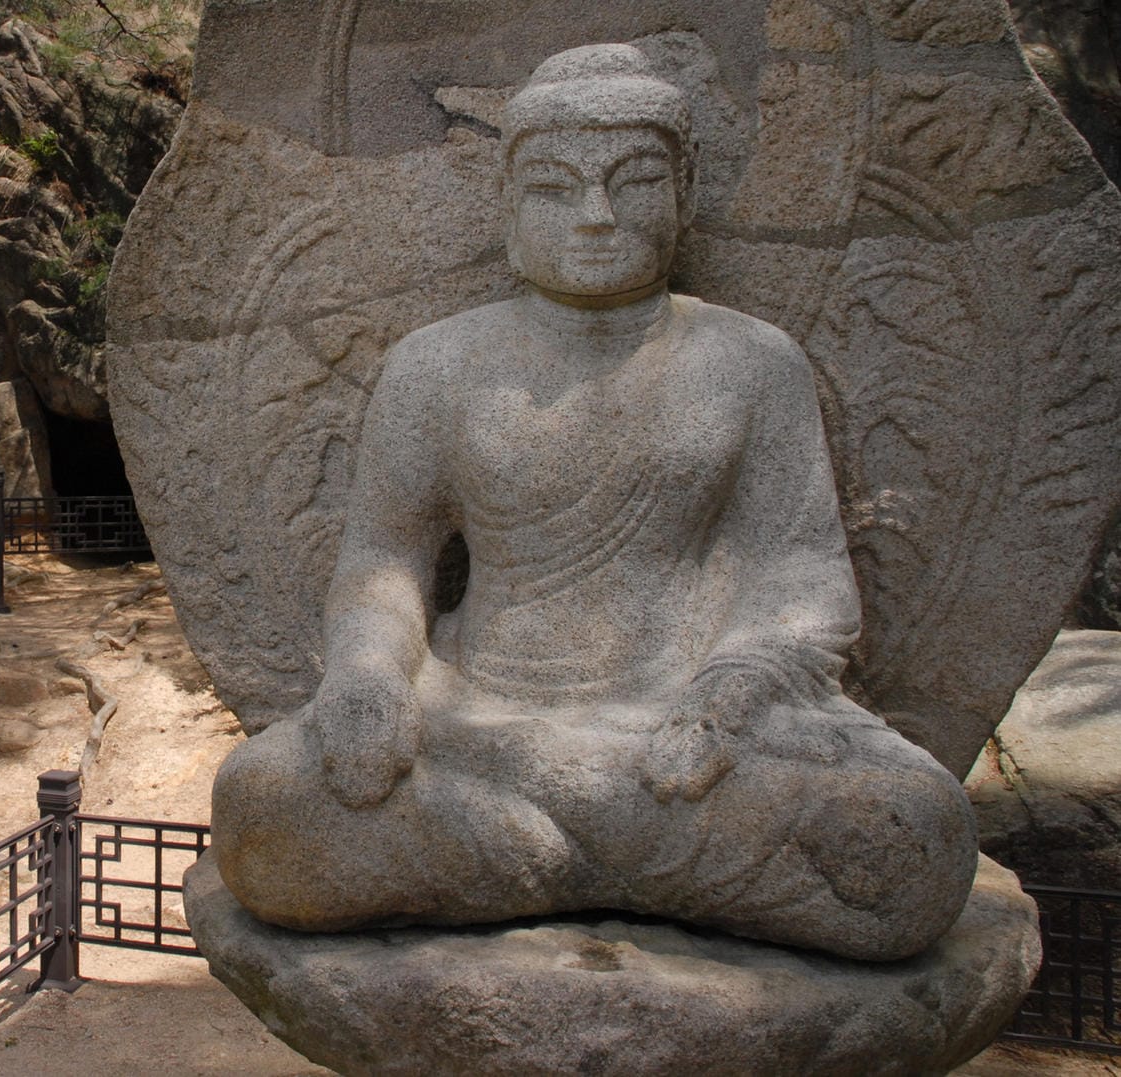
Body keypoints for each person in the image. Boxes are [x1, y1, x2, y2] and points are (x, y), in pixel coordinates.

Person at [208, 44, 978, 962]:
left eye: (635, 181)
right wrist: (369, 680)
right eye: (554, 187)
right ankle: (616, 859)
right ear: (506, 203)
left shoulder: (752, 362)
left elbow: (802, 576)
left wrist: (728, 698)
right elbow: (385, 561)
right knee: (262, 813)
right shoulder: (437, 364)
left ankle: (535, 855)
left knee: (915, 833)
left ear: (684, 193)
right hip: (481, 724)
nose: (597, 215)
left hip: (685, 740)